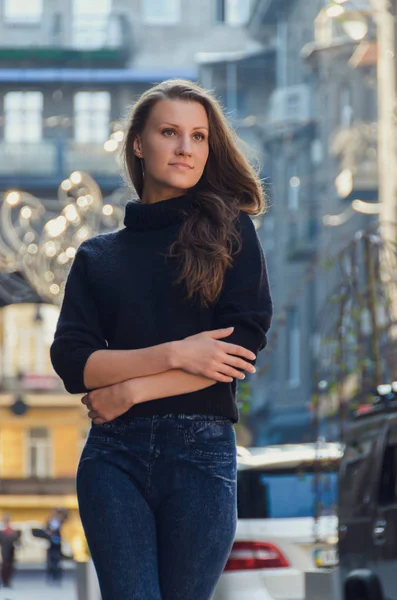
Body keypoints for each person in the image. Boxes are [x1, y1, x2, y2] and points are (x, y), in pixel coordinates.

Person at [50, 79, 273, 600]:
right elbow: (73, 362)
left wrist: (132, 389)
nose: (185, 148)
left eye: (198, 137)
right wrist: (176, 353)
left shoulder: (231, 233)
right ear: (137, 143)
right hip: (113, 459)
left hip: (202, 453)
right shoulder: (97, 257)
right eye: (170, 132)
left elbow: (242, 346)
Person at [0, 515, 21, 589]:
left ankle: (8, 581)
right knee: (5, 566)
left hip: (12, 550)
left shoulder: (13, 531)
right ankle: (4, 581)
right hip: (5, 550)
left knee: (11, 566)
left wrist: (18, 544)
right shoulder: (2, 531)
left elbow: (17, 541)